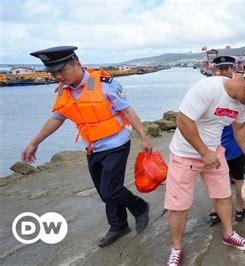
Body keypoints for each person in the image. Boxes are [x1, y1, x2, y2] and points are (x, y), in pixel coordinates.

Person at [24, 46, 152, 247]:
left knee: (111, 190)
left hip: (116, 144)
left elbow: (127, 111)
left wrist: (143, 137)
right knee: (104, 192)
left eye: (61, 70)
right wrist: (35, 142)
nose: (58, 76)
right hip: (93, 148)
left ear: (77, 64)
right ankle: (118, 226)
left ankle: (140, 207)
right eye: (53, 73)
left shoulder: (105, 84)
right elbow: (57, 118)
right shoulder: (63, 90)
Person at [164, 66, 245, 265]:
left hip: (215, 154)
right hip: (185, 155)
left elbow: (239, 126)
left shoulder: (241, 102)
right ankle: (176, 248)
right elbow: (184, 121)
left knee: (223, 196)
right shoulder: (208, 89)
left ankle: (228, 233)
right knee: (179, 206)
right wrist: (203, 152)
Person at [208, 56, 245, 225]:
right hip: (234, 148)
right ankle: (239, 209)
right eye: (221, 69)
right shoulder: (241, 102)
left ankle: (215, 212)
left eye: (226, 69)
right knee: (238, 180)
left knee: (216, 182)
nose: (223, 72)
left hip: (217, 148)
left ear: (232, 69)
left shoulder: (214, 96)